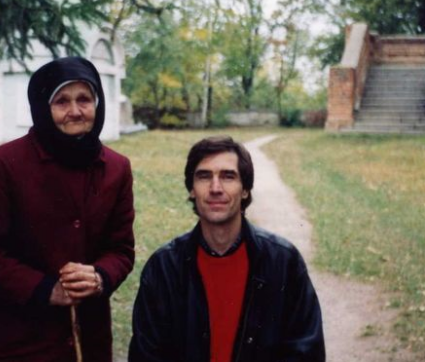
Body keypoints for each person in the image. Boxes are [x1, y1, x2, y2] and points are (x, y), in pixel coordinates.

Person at [0, 57, 135, 362]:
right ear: (43, 107)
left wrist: (99, 277)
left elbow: (121, 249)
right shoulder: (5, 163)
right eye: (62, 101)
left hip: (86, 335)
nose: (75, 111)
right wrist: (46, 289)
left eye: (84, 99)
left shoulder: (116, 168)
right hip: (15, 336)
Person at [129, 136, 325, 362]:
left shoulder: (283, 262)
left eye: (228, 176)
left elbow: (306, 351)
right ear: (192, 189)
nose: (215, 188)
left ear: (245, 189)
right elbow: (146, 355)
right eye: (204, 176)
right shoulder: (164, 268)